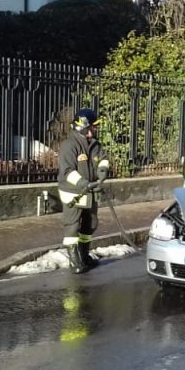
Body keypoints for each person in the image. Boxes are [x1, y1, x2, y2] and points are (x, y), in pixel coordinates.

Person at [57, 108, 111, 274]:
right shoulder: (69, 145)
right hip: (74, 193)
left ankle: (84, 254)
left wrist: (103, 171)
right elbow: (66, 171)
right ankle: (75, 261)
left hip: (91, 192)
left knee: (91, 224)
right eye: (93, 126)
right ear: (84, 127)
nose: (95, 129)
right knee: (73, 226)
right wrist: (82, 183)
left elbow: (103, 159)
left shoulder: (94, 144)